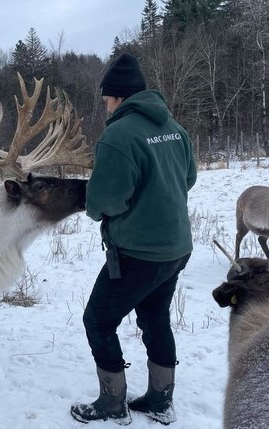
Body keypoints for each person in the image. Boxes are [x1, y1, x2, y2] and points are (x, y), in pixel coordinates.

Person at [70, 52, 197, 426]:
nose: (106, 106)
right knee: (156, 318)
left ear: (118, 97)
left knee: (97, 319)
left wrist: (100, 207)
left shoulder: (118, 135)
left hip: (139, 253)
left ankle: (112, 403)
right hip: (176, 248)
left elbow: (104, 201)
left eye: (106, 99)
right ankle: (160, 400)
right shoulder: (174, 127)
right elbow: (188, 179)